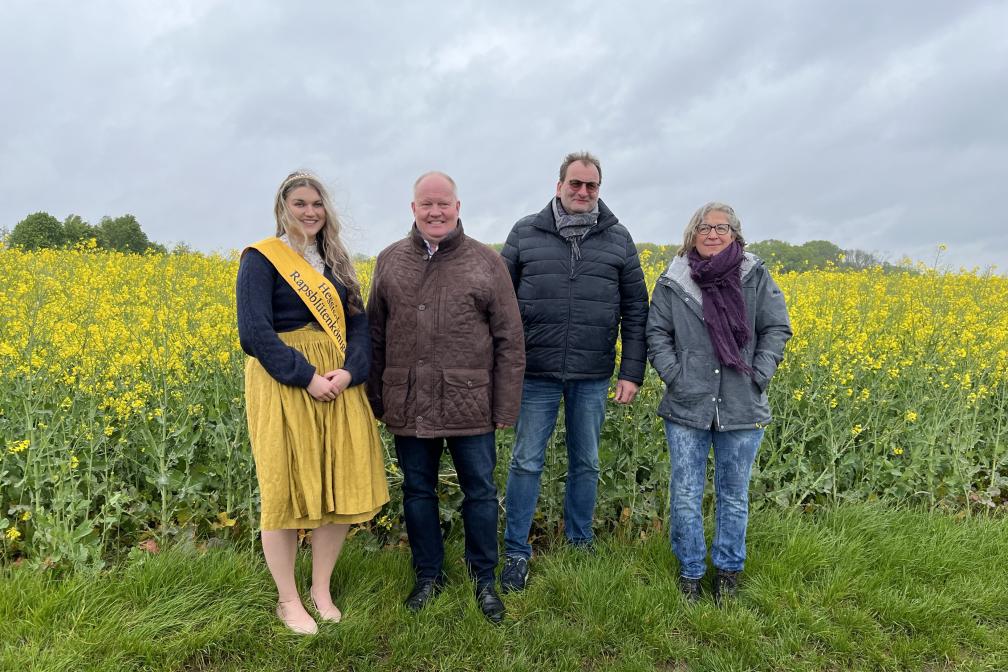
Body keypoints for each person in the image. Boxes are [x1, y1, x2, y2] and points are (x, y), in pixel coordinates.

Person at [366, 171, 525, 624]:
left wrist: (505, 405)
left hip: (469, 401)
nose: (435, 212)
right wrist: (377, 395)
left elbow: (510, 338)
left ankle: (484, 580)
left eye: (443, 204)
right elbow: (375, 333)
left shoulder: (485, 262)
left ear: (458, 207)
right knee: (419, 491)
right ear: (412, 209)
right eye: (426, 204)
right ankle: (428, 577)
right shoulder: (389, 260)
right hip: (409, 397)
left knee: (480, 491)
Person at [236, 171, 390, 634]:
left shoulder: (337, 263)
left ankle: (320, 588)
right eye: (300, 203)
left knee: (338, 482)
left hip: (338, 382)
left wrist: (349, 372)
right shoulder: (261, 259)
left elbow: (360, 327)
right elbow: (254, 332)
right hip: (286, 382)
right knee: (284, 488)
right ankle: (288, 599)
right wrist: (305, 377)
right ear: (283, 207)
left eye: (317, 204)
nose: (310, 211)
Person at [499, 151, 649, 592]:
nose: (583, 192)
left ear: (599, 190)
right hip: (536, 373)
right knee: (526, 461)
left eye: (591, 186)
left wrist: (632, 372)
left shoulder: (618, 239)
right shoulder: (526, 233)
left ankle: (580, 542)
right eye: (575, 184)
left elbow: (636, 309)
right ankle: (516, 552)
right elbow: (499, 306)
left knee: (586, 462)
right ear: (559, 185)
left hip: (592, 373)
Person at [646, 202, 791, 603]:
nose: (713, 234)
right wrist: (675, 374)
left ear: (735, 235)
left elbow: (776, 327)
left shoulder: (754, 276)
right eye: (705, 227)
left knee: (733, 493)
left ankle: (728, 571)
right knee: (687, 491)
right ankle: (691, 572)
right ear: (692, 234)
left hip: (742, 402)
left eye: (722, 228)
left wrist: (759, 372)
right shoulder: (674, 280)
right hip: (687, 403)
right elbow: (655, 332)